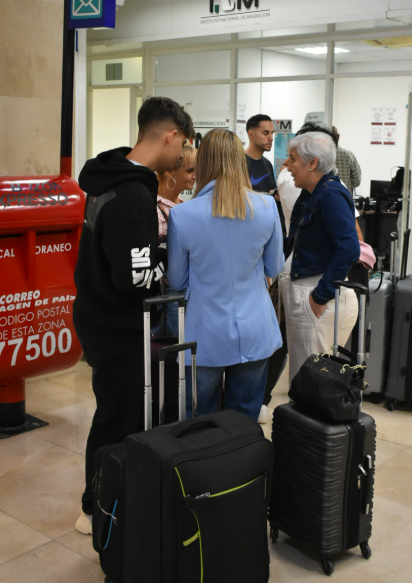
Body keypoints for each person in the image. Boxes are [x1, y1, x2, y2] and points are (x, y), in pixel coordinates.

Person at [74, 96, 194, 535]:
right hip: (116, 324)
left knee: (115, 410)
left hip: (97, 313)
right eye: (183, 146)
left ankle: (104, 498)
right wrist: (173, 264)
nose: (183, 156)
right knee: (117, 416)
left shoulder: (108, 179)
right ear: (171, 135)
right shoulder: (131, 194)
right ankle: (96, 506)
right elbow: (135, 277)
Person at [167, 129, 284, 419]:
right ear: (239, 160)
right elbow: (274, 267)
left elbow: (177, 281)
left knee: (199, 422)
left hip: (203, 334)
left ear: (204, 161)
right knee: (243, 420)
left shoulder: (182, 215)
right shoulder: (267, 206)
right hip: (256, 330)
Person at [280, 127, 360, 383]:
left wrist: (319, 297)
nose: (288, 165)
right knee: (303, 379)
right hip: (307, 295)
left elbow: (349, 249)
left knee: (311, 384)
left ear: (312, 163)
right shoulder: (311, 193)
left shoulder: (330, 194)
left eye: (293, 159)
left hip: (318, 298)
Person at [244, 113, 290, 423]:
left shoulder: (268, 166)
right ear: (250, 133)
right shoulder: (240, 164)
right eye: (264, 132)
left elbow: (270, 203)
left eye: (272, 132)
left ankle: (260, 397)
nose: (270, 137)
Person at [154, 143, 197, 337]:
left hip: (183, 293)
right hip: (165, 295)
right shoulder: (153, 207)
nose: (195, 176)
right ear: (171, 172)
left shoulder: (180, 206)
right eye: (190, 170)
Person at [332, 126, 363, 195]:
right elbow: (356, 181)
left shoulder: (318, 156)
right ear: (338, 136)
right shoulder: (349, 155)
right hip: (345, 198)